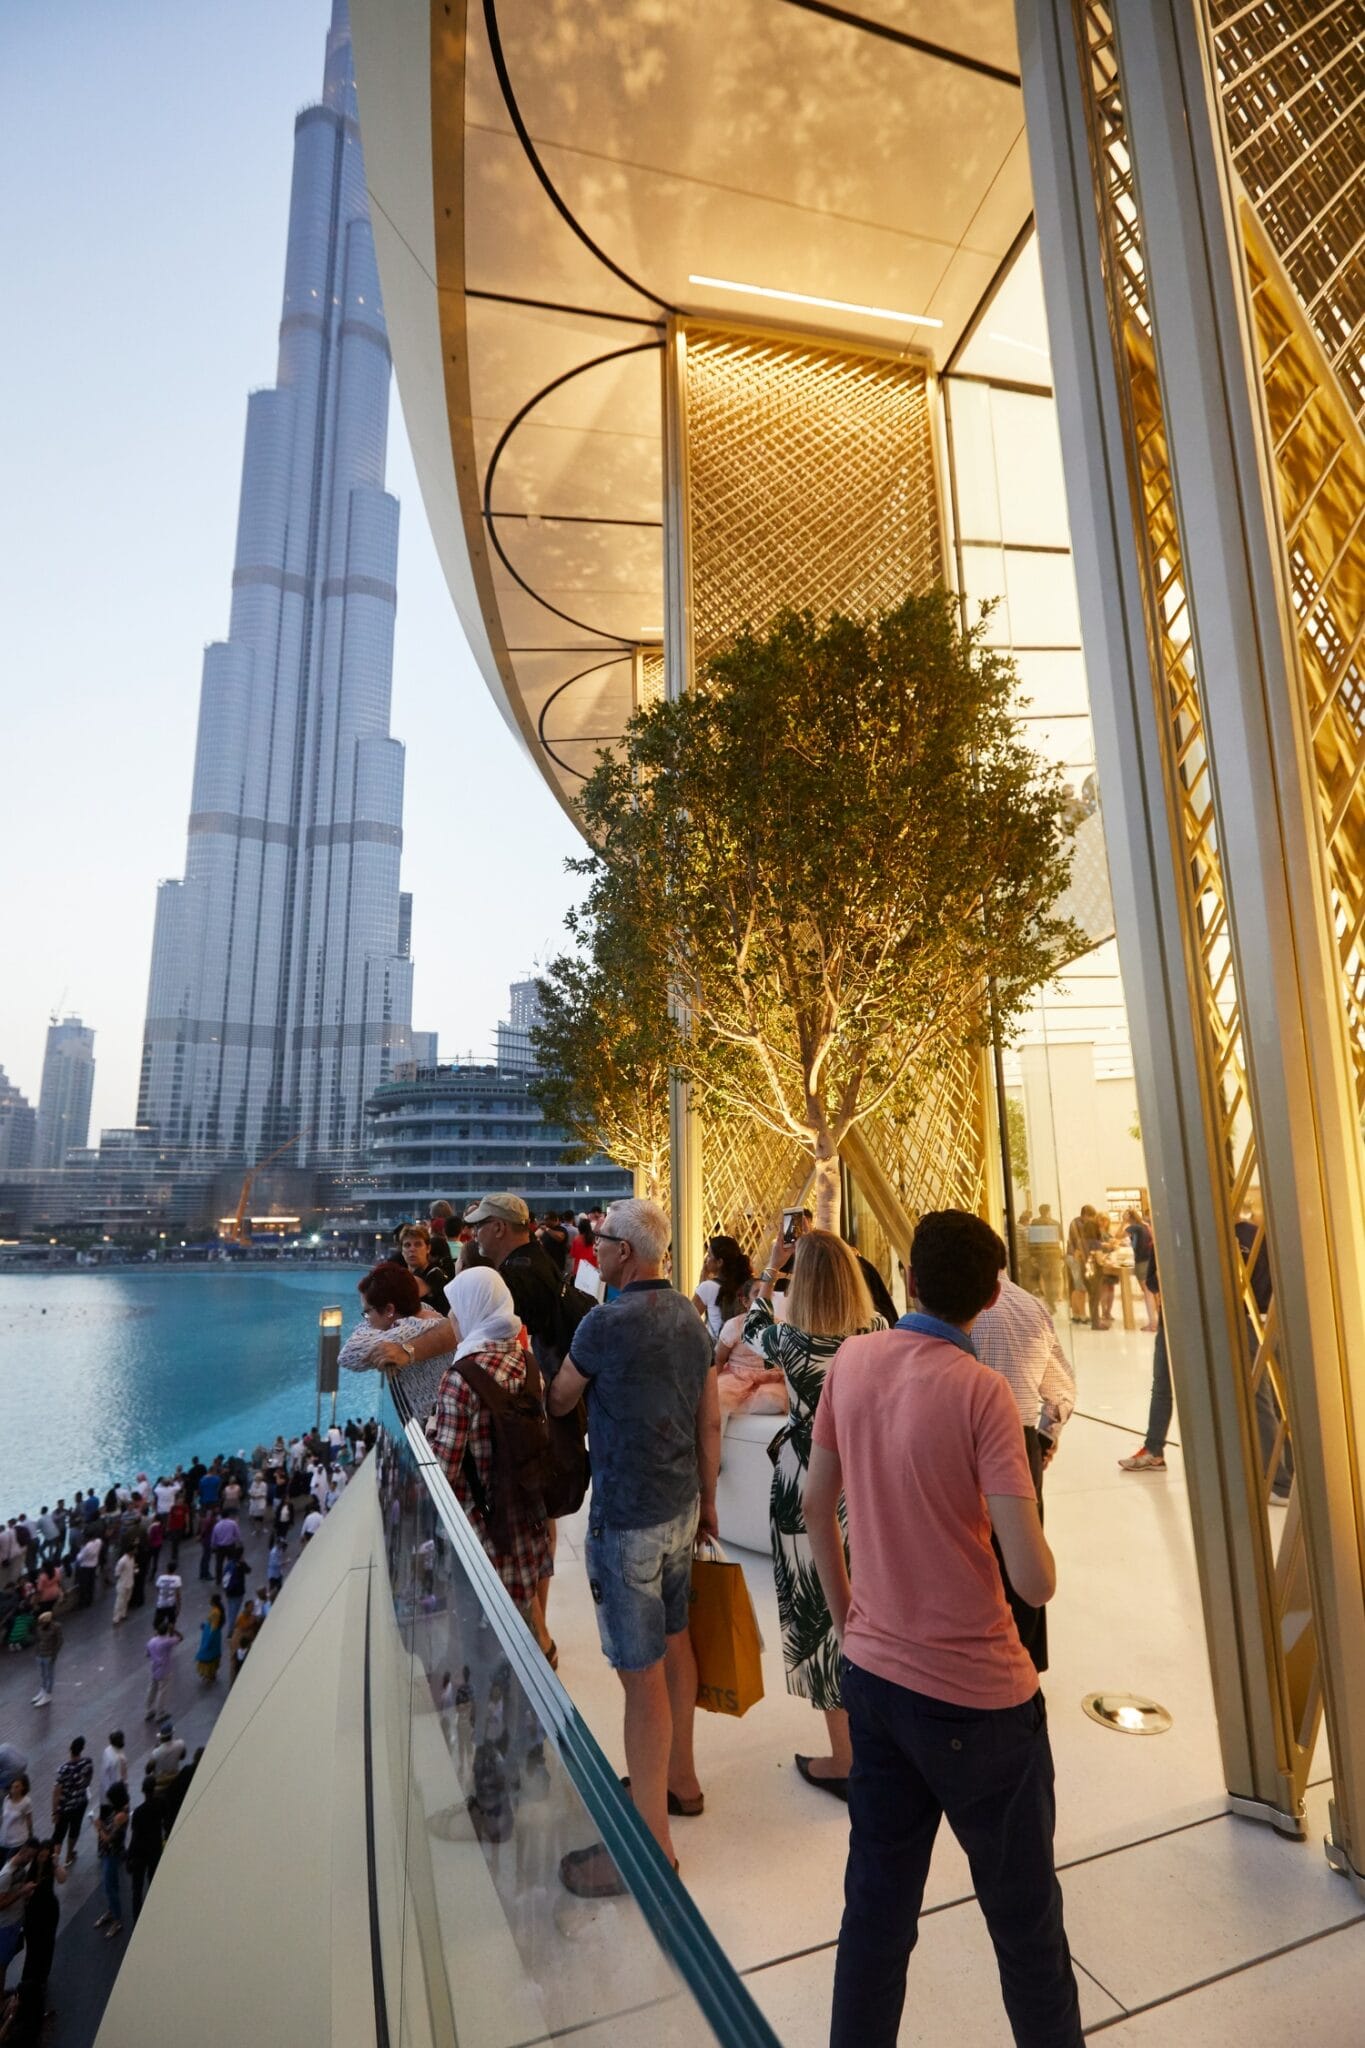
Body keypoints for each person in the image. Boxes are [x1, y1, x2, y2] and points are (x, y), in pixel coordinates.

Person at [804, 1208, 1082, 2048]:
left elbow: (816, 1505)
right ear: (992, 1296)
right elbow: (1032, 1580)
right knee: (1026, 1931)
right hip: (979, 1702)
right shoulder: (981, 1392)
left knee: (874, 1915)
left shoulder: (853, 1362)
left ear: (910, 1280)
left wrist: (852, 1625)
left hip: (874, 1683)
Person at [546, 1197, 718, 1896]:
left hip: (627, 1520)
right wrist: (708, 1501)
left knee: (639, 1676)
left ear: (625, 1252)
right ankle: (680, 1779)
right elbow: (709, 1419)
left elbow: (560, 1399)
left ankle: (651, 1850)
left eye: (601, 1239)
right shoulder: (690, 1317)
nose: (594, 1247)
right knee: (675, 1640)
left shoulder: (605, 1322)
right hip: (682, 1506)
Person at [743, 1226, 886, 1793]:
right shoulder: (877, 1332)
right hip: (866, 1480)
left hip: (805, 1481)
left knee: (820, 1615)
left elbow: (751, 1320)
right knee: (872, 1603)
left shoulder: (791, 1342)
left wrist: (770, 1268)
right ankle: (880, 1741)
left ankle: (845, 1758)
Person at [428, 1267, 554, 1652]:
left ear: (473, 1309)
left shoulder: (460, 1377)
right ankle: (541, 1654)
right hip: (525, 1515)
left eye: (456, 1309)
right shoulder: (527, 1362)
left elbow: (444, 1470)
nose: (452, 1318)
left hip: (481, 1527)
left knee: (484, 1638)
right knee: (521, 1617)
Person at [971, 1252, 1078, 1673]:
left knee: (976, 1553)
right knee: (1024, 1552)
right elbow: (1062, 1389)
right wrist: (1047, 1437)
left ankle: (984, 1662)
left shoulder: (968, 1307)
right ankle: (1026, 1663)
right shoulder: (1033, 1307)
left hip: (973, 1439)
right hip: (1022, 1440)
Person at [337, 1260, 455, 1421]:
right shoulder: (424, 1309)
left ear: (389, 1310)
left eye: (367, 1312)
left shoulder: (411, 1329)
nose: (367, 1320)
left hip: (428, 1426)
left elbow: (347, 1356)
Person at [692, 1234, 755, 1339]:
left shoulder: (707, 1287)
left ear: (719, 1262)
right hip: (742, 1345)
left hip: (720, 1346)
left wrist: (702, 1281)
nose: (706, 1259)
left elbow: (690, 1318)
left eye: (709, 1255)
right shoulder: (746, 1284)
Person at [93, 1781, 129, 1939]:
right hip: (109, 1853)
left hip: (112, 1854)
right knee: (111, 1884)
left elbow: (108, 1839)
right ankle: (111, 1910)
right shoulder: (119, 1810)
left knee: (110, 1887)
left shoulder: (121, 1816)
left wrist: (98, 1827)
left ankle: (117, 1919)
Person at [49, 1739, 92, 1871]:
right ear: (82, 1749)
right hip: (80, 1803)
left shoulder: (64, 1769)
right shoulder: (87, 1763)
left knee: (59, 1834)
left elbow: (57, 1792)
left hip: (64, 1807)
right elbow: (88, 1781)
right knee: (75, 1829)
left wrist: (54, 1811)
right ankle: (69, 1855)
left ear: (70, 1749)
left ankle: (55, 1861)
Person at [125, 1775, 161, 1921]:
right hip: (155, 1849)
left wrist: (129, 1857)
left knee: (137, 1890)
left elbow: (135, 1837)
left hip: (140, 1854)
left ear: (143, 1791)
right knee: (153, 1883)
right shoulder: (160, 1804)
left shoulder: (139, 1812)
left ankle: (137, 1920)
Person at [0, 1846, 34, 1995]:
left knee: (5, 1963)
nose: (29, 1861)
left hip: (14, 1923)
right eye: (29, 1857)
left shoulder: (18, 1870)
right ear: (22, 1853)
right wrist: (21, 1892)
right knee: (1, 1965)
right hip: (6, 1927)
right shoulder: (6, 1875)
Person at [396, 1222, 451, 1315]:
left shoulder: (437, 1276)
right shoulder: (400, 1276)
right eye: (407, 1245)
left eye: (418, 1244)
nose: (412, 1249)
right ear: (402, 1251)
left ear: (428, 1248)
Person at [1125, 1206, 1159, 1331]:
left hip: (1141, 1261)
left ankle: (1152, 1323)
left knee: (1147, 1292)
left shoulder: (1133, 1227)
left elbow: (1118, 1235)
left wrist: (1123, 1222)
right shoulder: (1145, 1225)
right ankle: (1157, 1320)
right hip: (1150, 1259)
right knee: (1153, 1291)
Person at [144, 1613, 182, 1722]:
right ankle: (160, 1713)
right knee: (163, 1691)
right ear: (166, 1631)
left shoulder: (151, 1641)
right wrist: (173, 1630)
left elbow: (147, 1654)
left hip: (154, 1668)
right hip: (165, 1669)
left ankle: (148, 1710)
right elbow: (180, 1638)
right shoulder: (167, 1641)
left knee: (152, 1689)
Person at [30, 1616, 60, 1709]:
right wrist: (37, 1652)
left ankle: (48, 1694)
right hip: (40, 1654)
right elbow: (38, 1640)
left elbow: (59, 1642)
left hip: (48, 1655)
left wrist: (54, 1654)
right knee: (43, 1674)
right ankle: (42, 1691)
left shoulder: (55, 1628)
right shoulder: (39, 1628)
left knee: (49, 1675)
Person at [0, 1781, 31, 1862]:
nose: (13, 1789)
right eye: (12, 1787)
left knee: (10, 1864)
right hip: (3, 1840)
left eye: (17, 1787)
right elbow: (3, 1817)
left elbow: (29, 1820)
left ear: (22, 1788)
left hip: (17, 1841)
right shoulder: (7, 1799)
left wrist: (30, 1836)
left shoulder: (26, 1802)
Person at [196, 1598, 225, 1685]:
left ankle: (209, 1675)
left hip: (211, 1634)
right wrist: (205, 1626)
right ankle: (211, 1674)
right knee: (213, 1654)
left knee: (208, 1654)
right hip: (211, 1633)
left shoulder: (216, 1612)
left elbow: (214, 1626)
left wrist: (209, 1639)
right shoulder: (216, 1610)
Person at [98, 1732, 128, 1805]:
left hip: (112, 1788)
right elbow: (106, 1775)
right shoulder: (115, 1757)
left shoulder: (108, 1750)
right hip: (113, 1790)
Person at [74, 1530, 101, 1608]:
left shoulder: (87, 1547)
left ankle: (83, 1602)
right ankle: (90, 1599)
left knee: (84, 1585)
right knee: (91, 1584)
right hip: (94, 1565)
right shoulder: (98, 1542)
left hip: (85, 1567)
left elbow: (80, 1558)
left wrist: (79, 1552)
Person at [111, 1545, 136, 1626]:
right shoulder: (122, 1560)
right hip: (123, 1584)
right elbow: (117, 1572)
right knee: (120, 1601)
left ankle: (123, 1614)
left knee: (126, 1599)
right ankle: (116, 1618)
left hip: (130, 1582)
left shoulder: (132, 1558)